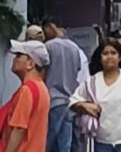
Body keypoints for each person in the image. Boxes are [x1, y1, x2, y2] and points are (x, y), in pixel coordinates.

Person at [72, 36, 121, 152]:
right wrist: (83, 105)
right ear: (99, 57)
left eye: (113, 53)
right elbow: (73, 101)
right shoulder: (92, 82)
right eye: (105, 53)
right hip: (101, 143)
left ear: (120, 57)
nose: (109, 57)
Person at [44, 21, 89, 152]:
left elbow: (43, 70)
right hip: (70, 100)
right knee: (65, 144)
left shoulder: (48, 46)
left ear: (51, 28)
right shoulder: (74, 47)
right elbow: (79, 69)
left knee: (48, 143)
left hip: (53, 99)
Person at [4, 40, 53, 152]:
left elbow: (19, 129)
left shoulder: (27, 90)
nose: (14, 59)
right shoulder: (42, 88)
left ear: (30, 63)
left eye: (19, 55)